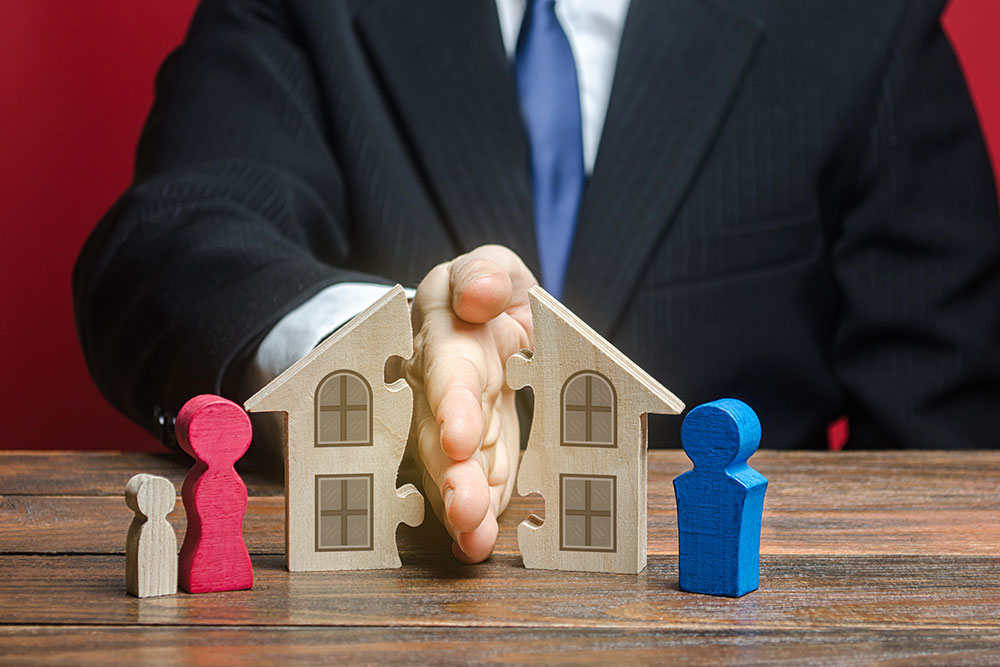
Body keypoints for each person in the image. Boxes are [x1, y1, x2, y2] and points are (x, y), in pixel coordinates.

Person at [73, 0, 1000, 563]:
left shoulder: (864, 23)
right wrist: (384, 347)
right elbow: (168, 241)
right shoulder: (296, 12)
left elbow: (947, 440)